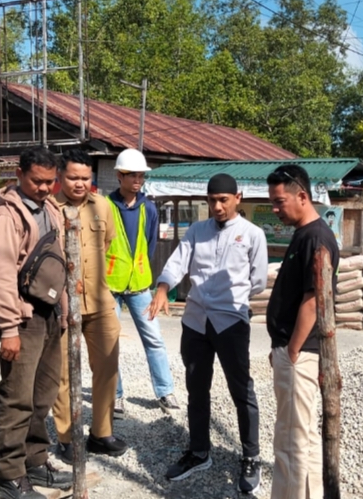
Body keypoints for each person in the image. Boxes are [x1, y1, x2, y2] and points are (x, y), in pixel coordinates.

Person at [147, 173, 268, 493]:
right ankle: (199, 451)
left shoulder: (252, 234)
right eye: (212, 200)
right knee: (196, 389)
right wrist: (163, 288)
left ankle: (251, 455)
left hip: (231, 322)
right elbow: (177, 263)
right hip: (196, 321)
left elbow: (258, 281)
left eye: (223, 200)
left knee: (241, 390)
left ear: (238, 198)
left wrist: (233, 299)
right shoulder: (197, 231)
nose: (217, 207)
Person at [0, 147, 73, 499]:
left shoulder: (50, 209)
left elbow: (58, 262)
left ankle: (34, 460)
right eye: (37, 181)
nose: (44, 187)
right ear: (20, 174)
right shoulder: (6, 217)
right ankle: (7, 475)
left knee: (43, 394)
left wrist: (64, 311)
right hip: (22, 316)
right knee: (16, 397)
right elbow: (1, 273)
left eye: (50, 181)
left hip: (49, 313)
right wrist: (8, 329)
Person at [265, 164, 339, 499]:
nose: (275, 209)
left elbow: (313, 301)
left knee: (291, 441)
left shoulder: (316, 238)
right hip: (294, 349)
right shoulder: (304, 234)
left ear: (303, 197)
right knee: (303, 438)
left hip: (301, 353)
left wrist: (292, 350)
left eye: (279, 202)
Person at [50, 149, 128, 462]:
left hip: (99, 301)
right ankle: (67, 437)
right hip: (61, 305)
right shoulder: (49, 208)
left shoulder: (102, 206)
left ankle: (101, 433)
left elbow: (106, 244)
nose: (80, 183)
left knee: (107, 368)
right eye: (73, 177)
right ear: (60, 176)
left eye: (85, 177)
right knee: (63, 374)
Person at [105, 148, 179, 419]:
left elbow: (149, 246)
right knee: (109, 343)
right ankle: (115, 395)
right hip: (109, 285)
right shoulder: (105, 206)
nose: (137, 180)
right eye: (132, 175)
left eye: (140, 175)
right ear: (119, 176)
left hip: (139, 285)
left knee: (154, 339)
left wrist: (141, 273)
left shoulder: (149, 208)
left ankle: (165, 391)